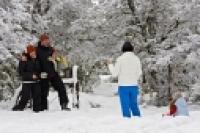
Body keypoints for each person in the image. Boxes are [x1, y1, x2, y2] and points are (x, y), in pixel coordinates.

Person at [107, 41, 142, 118]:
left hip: (123, 86)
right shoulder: (136, 59)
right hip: (134, 86)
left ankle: (127, 123)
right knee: (134, 105)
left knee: (125, 106)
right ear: (132, 49)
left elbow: (114, 74)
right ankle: (138, 121)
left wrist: (110, 64)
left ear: (123, 50)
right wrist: (133, 79)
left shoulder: (120, 59)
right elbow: (139, 72)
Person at [36, 34, 70, 111]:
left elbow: (59, 60)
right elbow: (34, 62)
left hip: (53, 73)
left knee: (61, 88)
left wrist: (56, 57)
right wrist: (39, 73)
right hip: (43, 74)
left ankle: (64, 105)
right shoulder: (37, 50)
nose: (47, 42)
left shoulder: (51, 49)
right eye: (45, 41)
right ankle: (43, 108)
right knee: (44, 92)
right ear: (41, 41)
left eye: (48, 41)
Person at [12, 44, 41, 112]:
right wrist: (31, 75)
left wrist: (41, 74)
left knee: (37, 95)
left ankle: (37, 110)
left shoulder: (37, 60)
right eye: (31, 52)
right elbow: (21, 72)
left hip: (36, 81)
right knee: (25, 96)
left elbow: (39, 70)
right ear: (28, 53)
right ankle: (20, 107)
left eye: (34, 52)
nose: (33, 53)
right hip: (27, 82)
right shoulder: (24, 60)